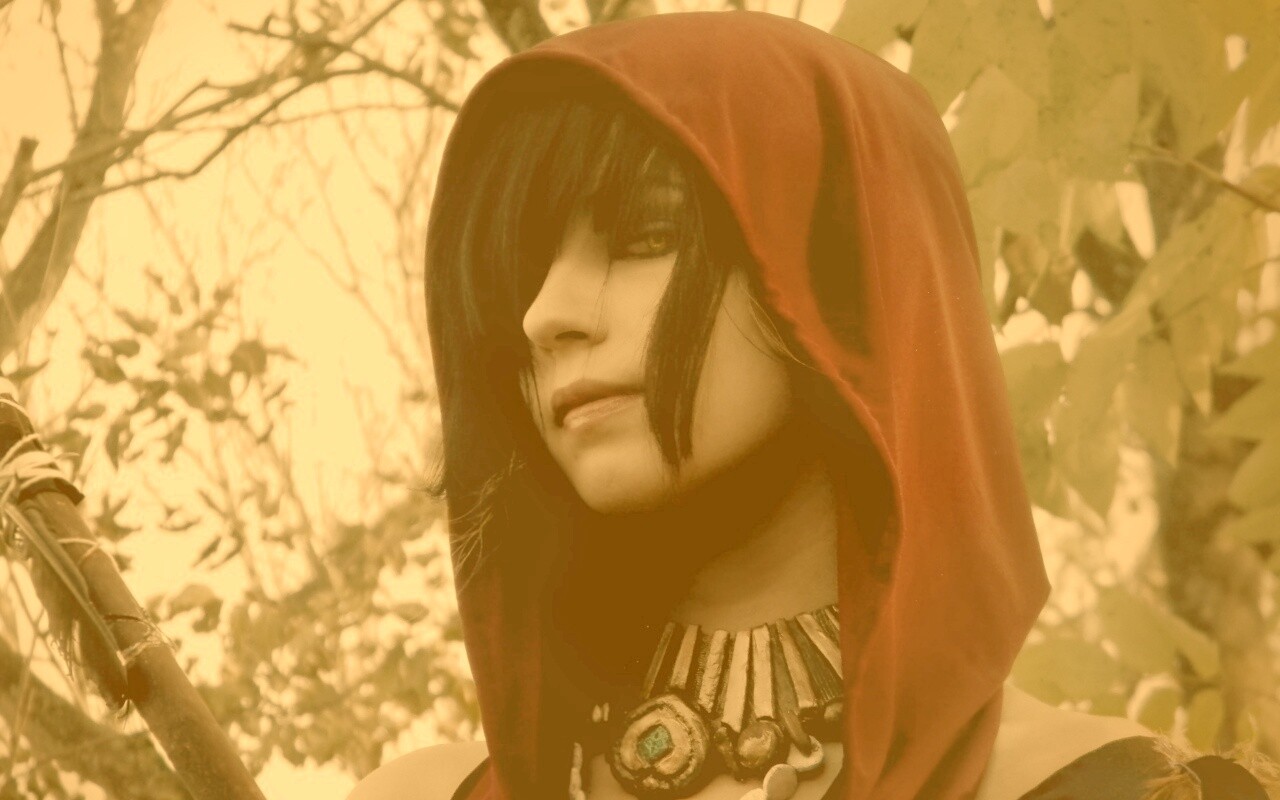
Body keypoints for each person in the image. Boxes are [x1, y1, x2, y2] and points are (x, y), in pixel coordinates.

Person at [348, 10, 1276, 800]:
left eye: (648, 232)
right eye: (522, 273)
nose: (545, 314)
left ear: (850, 274)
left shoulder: (1125, 789)